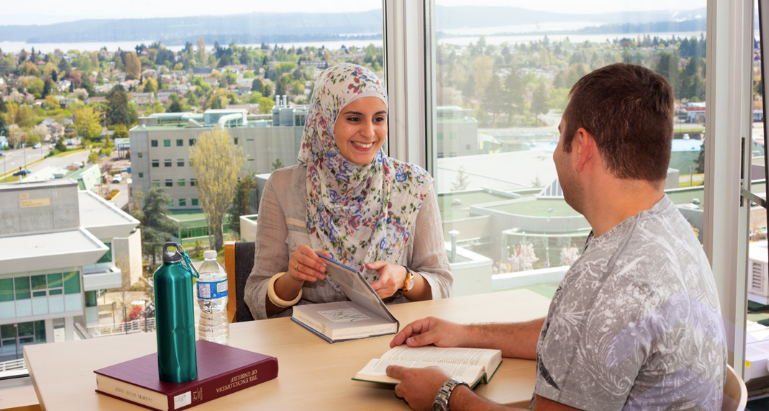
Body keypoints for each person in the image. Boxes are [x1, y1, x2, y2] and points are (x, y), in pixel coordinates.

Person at [385, 63, 727, 411]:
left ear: (581, 147)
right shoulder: (667, 227)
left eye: (558, 137)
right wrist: (465, 334)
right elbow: (578, 337)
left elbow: (595, 318)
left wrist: (446, 395)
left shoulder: (609, 279)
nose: (553, 154)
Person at [244, 63, 452, 320]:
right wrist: (293, 278)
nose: (369, 132)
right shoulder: (283, 187)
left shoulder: (413, 186)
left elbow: (442, 285)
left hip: (394, 334)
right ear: (325, 120)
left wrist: (405, 279)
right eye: (354, 119)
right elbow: (256, 298)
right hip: (308, 338)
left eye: (379, 119)